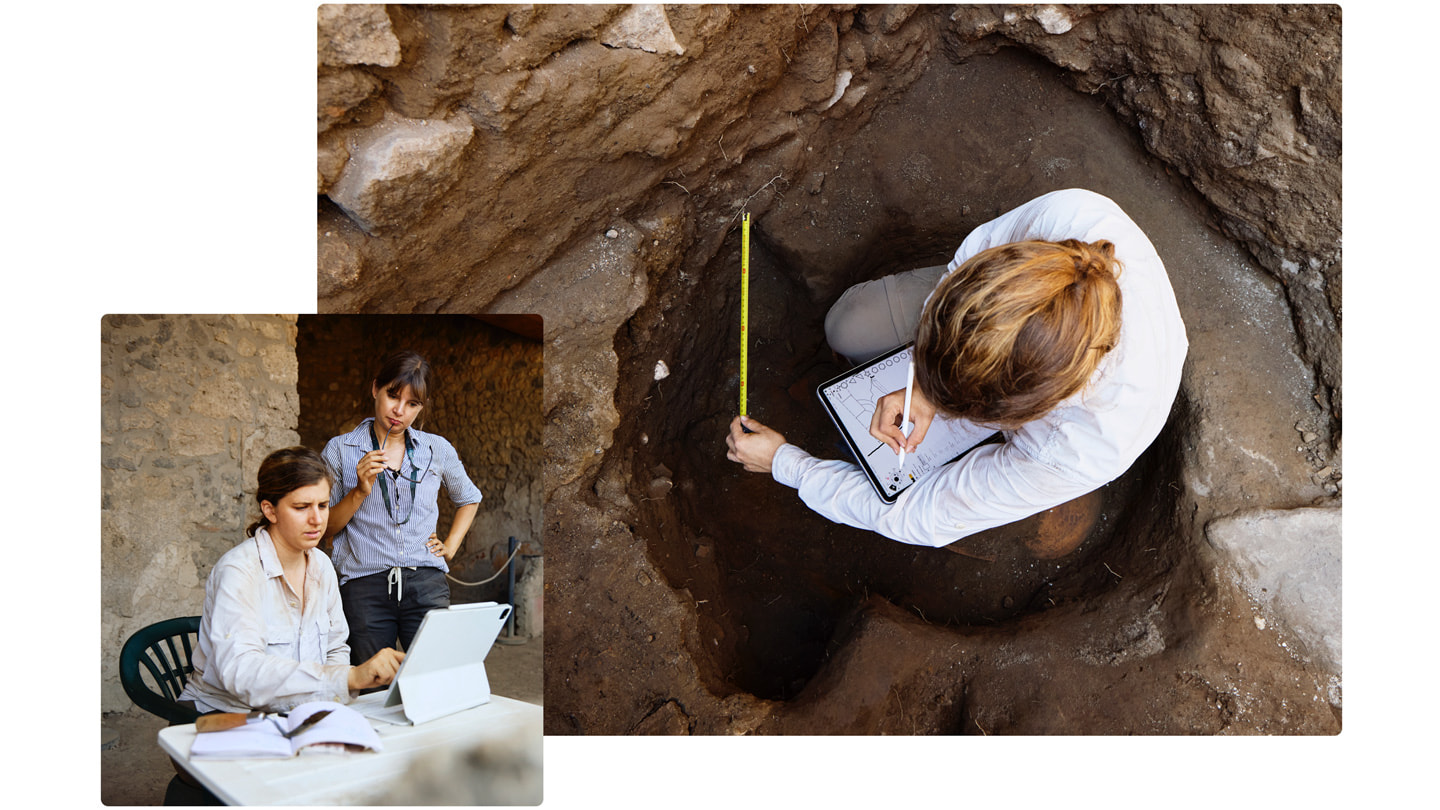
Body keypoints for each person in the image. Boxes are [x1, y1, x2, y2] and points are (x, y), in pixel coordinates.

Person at [726, 188, 1188, 551]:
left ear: (1014, 414)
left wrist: (788, 465)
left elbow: (917, 518)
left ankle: (1025, 494)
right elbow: (964, 264)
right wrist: (923, 388)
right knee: (846, 327)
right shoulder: (1070, 216)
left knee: (990, 506)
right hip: (1006, 324)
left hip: (1064, 439)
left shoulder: (1080, 447)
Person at [179, 447, 405, 714]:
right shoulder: (239, 570)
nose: (317, 519)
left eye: (322, 505)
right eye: (301, 507)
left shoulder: (321, 566)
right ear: (270, 511)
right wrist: (348, 678)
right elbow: (242, 672)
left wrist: (329, 700)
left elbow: (336, 648)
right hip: (226, 715)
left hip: (297, 711)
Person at [322, 350, 483, 663]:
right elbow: (325, 526)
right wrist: (360, 490)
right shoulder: (340, 449)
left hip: (425, 584)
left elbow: (469, 497)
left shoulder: (436, 448)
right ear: (375, 389)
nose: (399, 411)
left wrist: (450, 545)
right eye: (393, 396)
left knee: (435, 676)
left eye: (413, 404)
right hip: (364, 586)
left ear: (421, 406)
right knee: (371, 684)